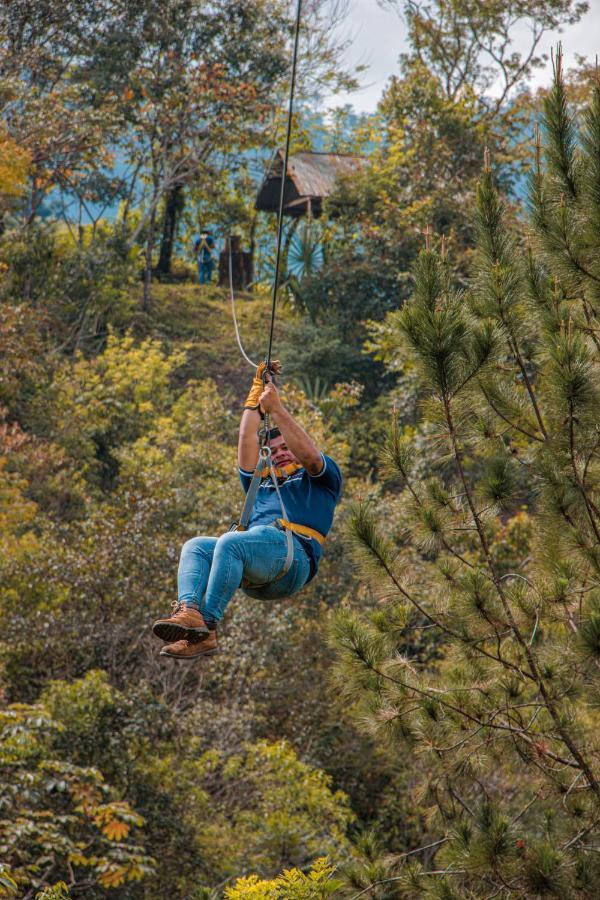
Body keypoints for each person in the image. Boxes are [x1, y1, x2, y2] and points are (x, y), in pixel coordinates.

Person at [152, 361, 343, 660]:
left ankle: (209, 626)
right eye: (274, 450)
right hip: (258, 566)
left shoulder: (320, 478)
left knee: (231, 542)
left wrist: (278, 410)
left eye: (283, 448)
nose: (279, 453)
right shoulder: (262, 481)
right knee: (197, 547)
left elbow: (308, 454)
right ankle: (189, 613)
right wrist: (256, 393)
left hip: (293, 561)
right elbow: (246, 438)